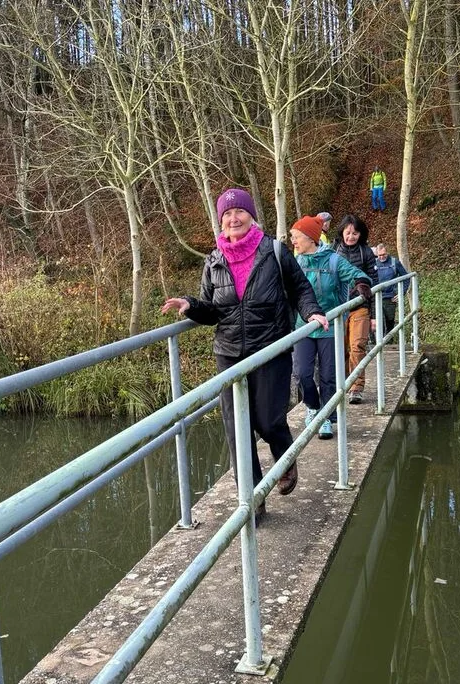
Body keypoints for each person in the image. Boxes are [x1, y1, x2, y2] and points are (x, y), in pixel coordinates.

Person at [161, 189, 327, 520]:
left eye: (239, 212)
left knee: (268, 420)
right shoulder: (214, 260)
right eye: (226, 214)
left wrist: (311, 312)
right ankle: (252, 502)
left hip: (270, 349)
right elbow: (212, 310)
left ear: (252, 216)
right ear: (220, 221)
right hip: (229, 354)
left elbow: (299, 289)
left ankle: (284, 457)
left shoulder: (275, 251)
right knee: (237, 430)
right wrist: (191, 305)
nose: (233, 219)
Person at [289, 215, 372, 439]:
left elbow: (358, 274)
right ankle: (313, 407)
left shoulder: (333, 260)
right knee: (302, 373)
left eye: (296, 237)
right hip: (303, 326)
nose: (293, 241)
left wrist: (362, 283)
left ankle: (326, 417)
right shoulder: (295, 262)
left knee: (328, 375)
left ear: (310, 238)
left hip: (330, 326)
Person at [333, 215, 378, 404]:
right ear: (342, 232)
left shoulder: (366, 252)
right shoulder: (333, 252)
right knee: (341, 348)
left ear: (361, 234)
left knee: (357, 346)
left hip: (361, 305)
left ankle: (356, 387)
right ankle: (343, 383)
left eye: (355, 233)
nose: (351, 236)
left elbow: (375, 283)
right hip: (339, 307)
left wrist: (374, 315)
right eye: (348, 232)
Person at [373, 243, 408, 337]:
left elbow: (406, 277)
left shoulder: (394, 262)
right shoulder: (373, 263)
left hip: (390, 297)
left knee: (389, 321)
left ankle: (389, 341)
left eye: (384, 254)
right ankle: (379, 343)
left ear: (387, 252)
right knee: (378, 321)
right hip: (377, 297)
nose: (382, 257)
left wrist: (402, 292)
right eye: (379, 255)